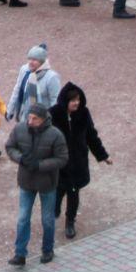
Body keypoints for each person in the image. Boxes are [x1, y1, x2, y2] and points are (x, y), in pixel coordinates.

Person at [6, 101, 68, 266]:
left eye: (34, 119)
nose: (30, 121)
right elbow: (10, 147)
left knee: (47, 219)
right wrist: (20, 158)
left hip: (47, 183)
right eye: (29, 117)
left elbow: (62, 159)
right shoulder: (20, 129)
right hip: (26, 181)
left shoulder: (55, 135)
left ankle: (48, 250)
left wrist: (40, 165)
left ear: (43, 119)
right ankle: (20, 254)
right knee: (23, 218)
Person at [51, 82, 109, 239]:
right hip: (60, 164)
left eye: (77, 99)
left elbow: (91, 135)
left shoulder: (83, 113)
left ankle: (70, 221)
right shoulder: (54, 114)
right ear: (65, 101)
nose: (76, 103)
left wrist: (102, 155)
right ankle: (54, 209)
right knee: (58, 190)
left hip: (77, 163)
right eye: (72, 100)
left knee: (74, 193)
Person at [6, 43, 62, 122]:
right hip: (25, 118)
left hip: (43, 121)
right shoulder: (25, 70)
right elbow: (18, 90)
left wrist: (52, 121)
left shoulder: (52, 77)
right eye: (29, 59)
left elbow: (55, 101)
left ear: (42, 61)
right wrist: (10, 110)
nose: (31, 62)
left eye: (35, 60)